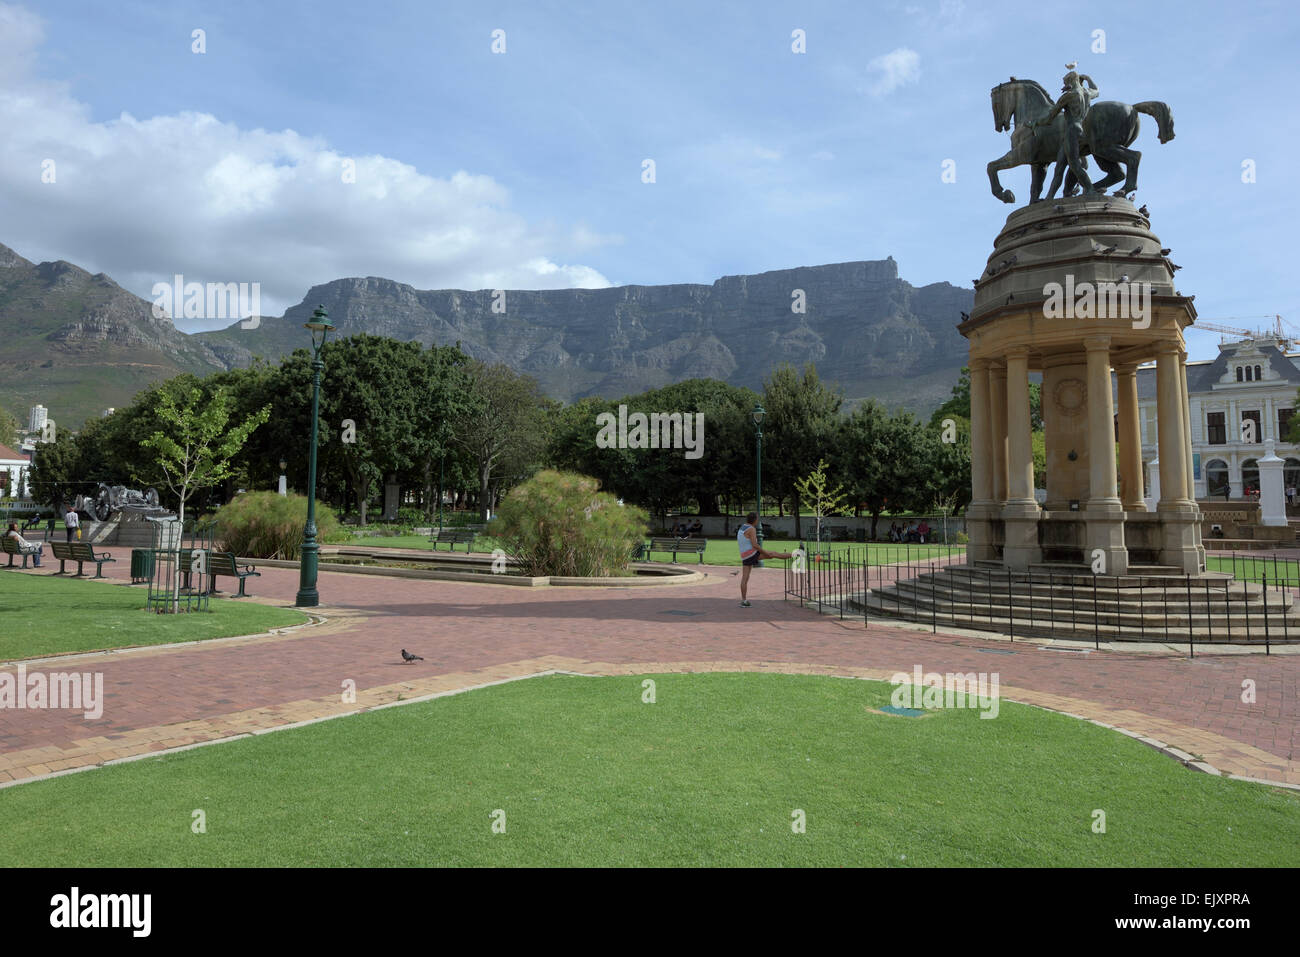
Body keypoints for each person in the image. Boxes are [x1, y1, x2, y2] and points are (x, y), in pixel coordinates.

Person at [737, 511, 793, 608]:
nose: (757, 521)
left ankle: (744, 600)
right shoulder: (751, 529)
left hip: (744, 556)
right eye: (757, 519)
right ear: (755, 520)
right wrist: (765, 553)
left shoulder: (743, 527)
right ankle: (796, 554)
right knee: (773, 553)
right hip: (751, 554)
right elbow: (755, 545)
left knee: (745, 578)